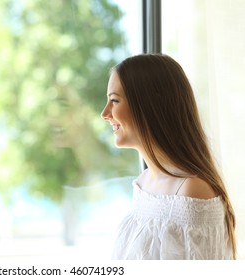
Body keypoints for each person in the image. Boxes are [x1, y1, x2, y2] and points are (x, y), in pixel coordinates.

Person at [101, 53, 236, 260]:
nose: (105, 113)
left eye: (114, 101)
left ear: (149, 106)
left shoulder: (191, 193)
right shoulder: (144, 183)